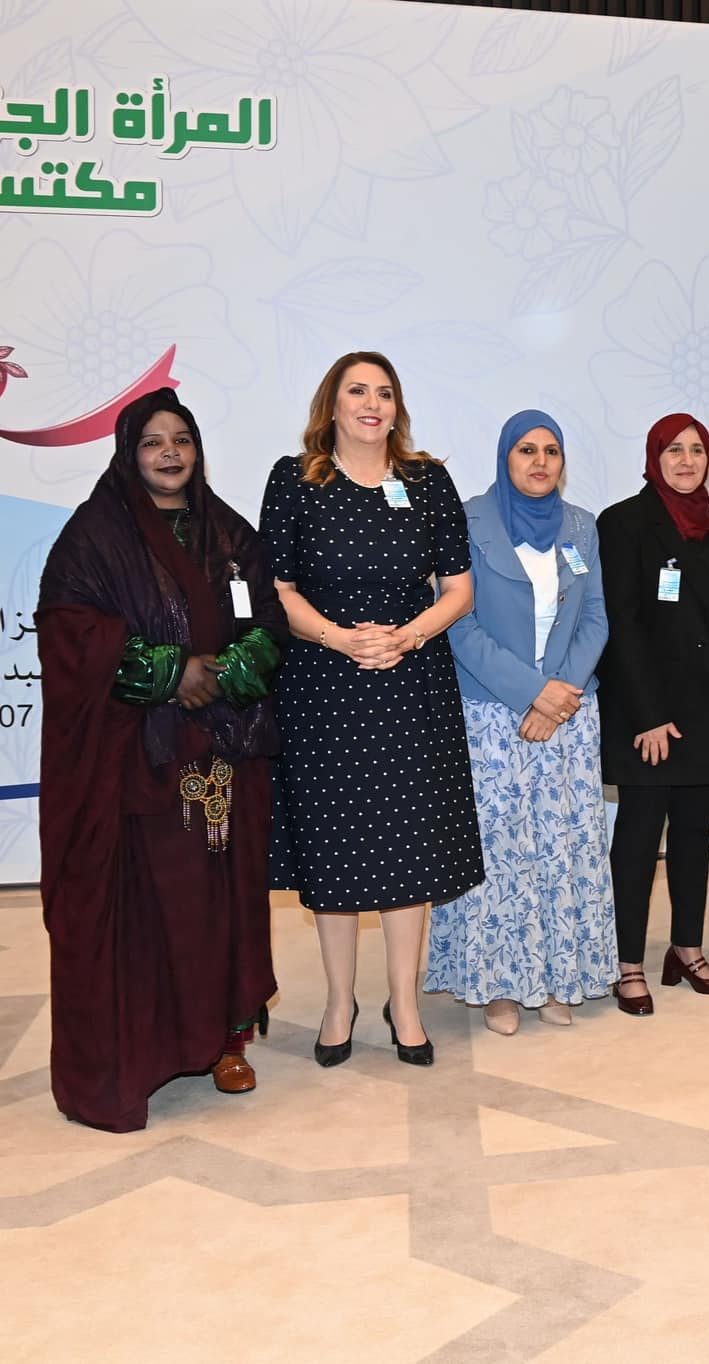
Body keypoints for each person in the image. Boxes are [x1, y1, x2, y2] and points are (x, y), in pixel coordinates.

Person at [36, 389, 283, 1129]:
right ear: (129, 454)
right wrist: (170, 672)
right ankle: (146, 1052)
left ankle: (227, 1044)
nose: (170, 452)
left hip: (224, 756)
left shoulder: (229, 533)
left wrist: (225, 673)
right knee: (152, 908)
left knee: (223, 904)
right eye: (153, 441)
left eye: (182, 439)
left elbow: (270, 623)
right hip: (138, 764)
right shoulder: (95, 536)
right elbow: (70, 630)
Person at [262, 352, 482, 1069]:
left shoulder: (427, 481)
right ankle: (339, 1002)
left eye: (385, 393)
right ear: (332, 404)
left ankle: (404, 1002)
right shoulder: (295, 480)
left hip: (411, 683)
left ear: (397, 408)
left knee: (410, 846)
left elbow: (458, 590)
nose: (372, 404)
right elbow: (279, 590)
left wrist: (407, 636)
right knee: (335, 848)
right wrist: (338, 637)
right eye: (357, 391)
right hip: (323, 685)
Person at [428, 411, 616, 1033]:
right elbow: (458, 622)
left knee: (563, 849)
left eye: (551, 451)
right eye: (526, 450)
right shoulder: (467, 520)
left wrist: (559, 696)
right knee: (499, 852)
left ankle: (560, 976)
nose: (540, 462)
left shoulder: (581, 526)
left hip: (569, 715)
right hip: (491, 713)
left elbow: (596, 617)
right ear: (505, 457)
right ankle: (499, 987)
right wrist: (532, 693)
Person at [598, 413, 709, 1011]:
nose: (687, 460)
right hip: (650, 717)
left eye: (697, 450)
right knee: (639, 839)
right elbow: (622, 625)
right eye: (674, 449)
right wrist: (648, 714)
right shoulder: (624, 522)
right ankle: (626, 963)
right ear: (654, 457)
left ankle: (687, 950)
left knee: (695, 836)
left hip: (705, 713)